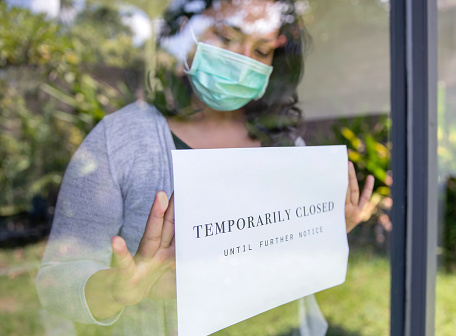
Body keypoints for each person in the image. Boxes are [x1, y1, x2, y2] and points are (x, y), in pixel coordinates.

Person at [35, 0, 375, 335]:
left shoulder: (285, 144)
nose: (242, 59)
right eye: (227, 37)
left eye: (261, 51)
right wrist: (116, 289)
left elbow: (284, 257)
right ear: (187, 35)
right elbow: (56, 281)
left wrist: (324, 230)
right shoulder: (121, 138)